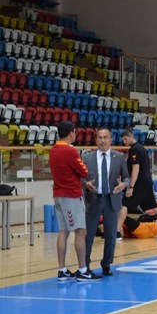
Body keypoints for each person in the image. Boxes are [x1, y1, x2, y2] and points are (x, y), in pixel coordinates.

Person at [49, 121, 100, 282]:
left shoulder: (53, 149)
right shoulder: (70, 151)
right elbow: (84, 171)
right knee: (80, 232)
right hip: (70, 195)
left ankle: (62, 269)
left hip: (58, 194)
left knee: (63, 232)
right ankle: (83, 269)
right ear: (71, 133)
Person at [83, 127, 130, 276]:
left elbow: (127, 177)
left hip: (111, 199)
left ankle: (106, 263)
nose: (103, 140)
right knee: (88, 235)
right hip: (93, 199)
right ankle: (85, 265)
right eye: (100, 138)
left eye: (105, 137)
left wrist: (124, 185)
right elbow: (80, 179)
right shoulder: (87, 158)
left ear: (111, 139)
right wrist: (86, 184)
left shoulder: (119, 157)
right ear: (96, 140)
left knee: (111, 235)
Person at [120, 128, 157, 237]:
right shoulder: (141, 148)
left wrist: (131, 187)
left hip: (140, 184)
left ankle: (117, 233)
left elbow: (136, 169)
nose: (124, 142)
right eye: (123, 140)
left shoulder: (134, 149)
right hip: (147, 182)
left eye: (125, 139)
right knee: (155, 206)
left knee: (124, 204)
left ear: (131, 137)